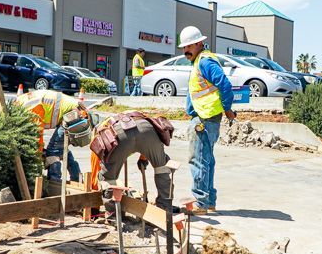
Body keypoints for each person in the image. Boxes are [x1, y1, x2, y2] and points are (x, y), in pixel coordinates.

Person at [179, 25, 235, 211]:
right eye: (184, 47)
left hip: (204, 118)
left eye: (189, 46)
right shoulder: (200, 61)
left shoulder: (204, 62)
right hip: (207, 116)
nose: (186, 50)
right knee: (207, 159)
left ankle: (200, 202)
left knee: (199, 159)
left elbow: (225, 85)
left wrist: (228, 109)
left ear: (199, 43)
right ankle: (209, 201)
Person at [88, 111, 175, 211]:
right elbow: (142, 134)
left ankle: (113, 213)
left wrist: (95, 205)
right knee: (162, 168)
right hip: (147, 129)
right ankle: (165, 208)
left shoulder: (99, 135)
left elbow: (96, 170)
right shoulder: (129, 114)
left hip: (120, 133)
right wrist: (143, 158)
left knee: (108, 179)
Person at [12, 90, 95, 182]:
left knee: (53, 151)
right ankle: (77, 179)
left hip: (73, 116)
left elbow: (37, 134)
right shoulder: (23, 100)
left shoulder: (30, 108)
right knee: (61, 149)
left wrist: (38, 154)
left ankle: (54, 181)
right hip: (76, 114)